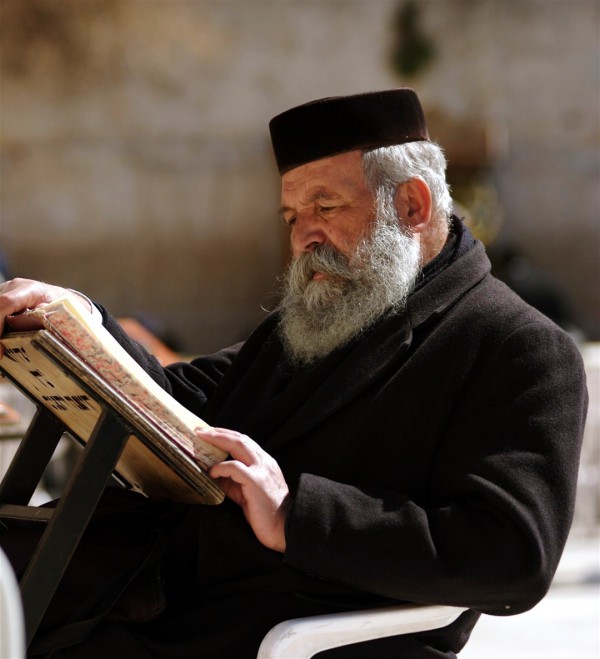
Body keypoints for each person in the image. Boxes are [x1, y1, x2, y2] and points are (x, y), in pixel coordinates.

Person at [0, 89, 588, 658]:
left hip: (299, 627)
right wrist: (73, 321)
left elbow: (514, 555)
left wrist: (296, 516)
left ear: (412, 205)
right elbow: (180, 401)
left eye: (325, 208)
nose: (304, 237)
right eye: (291, 217)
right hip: (171, 594)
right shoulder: (327, 313)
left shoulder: (521, 348)